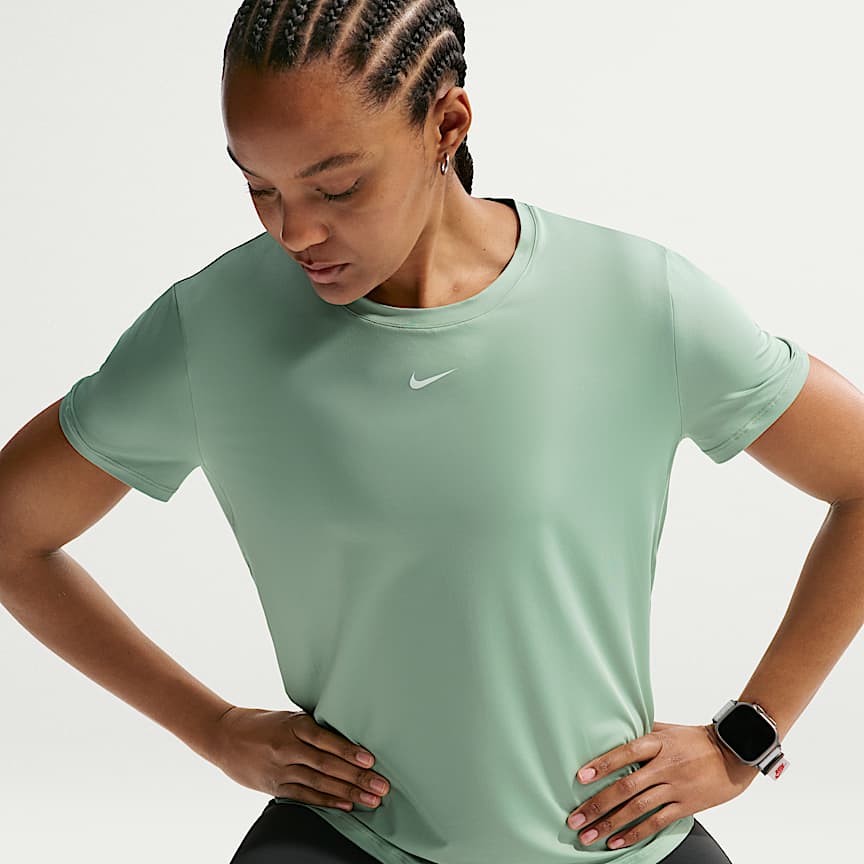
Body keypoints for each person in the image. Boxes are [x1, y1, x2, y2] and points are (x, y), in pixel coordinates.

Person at [3, 2, 864, 863]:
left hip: (619, 839)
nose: (294, 231)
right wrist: (214, 729)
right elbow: (12, 535)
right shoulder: (216, 327)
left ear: (447, 124)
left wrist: (744, 739)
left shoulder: (637, 300)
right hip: (349, 838)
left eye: (337, 187)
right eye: (260, 187)